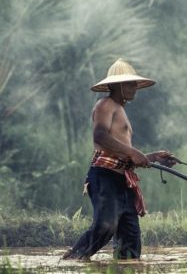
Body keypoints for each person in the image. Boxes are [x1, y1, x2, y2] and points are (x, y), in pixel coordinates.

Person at [62, 59, 178, 261]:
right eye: (129, 83)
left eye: (134, 83)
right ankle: (71, 262)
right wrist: (133, 152)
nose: (134, 88)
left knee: (131, 241)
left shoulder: (121, 111)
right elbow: (99, 136)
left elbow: (124, 155)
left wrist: (155, 157)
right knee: (105, 225)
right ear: (116, 85)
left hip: (122, 181)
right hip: (104, 178)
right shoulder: (105, 104)